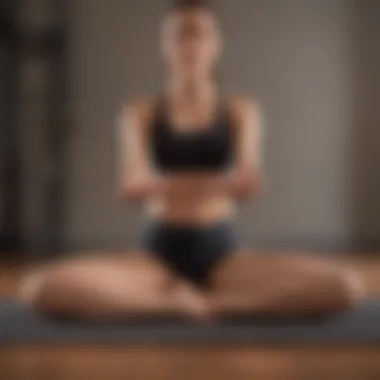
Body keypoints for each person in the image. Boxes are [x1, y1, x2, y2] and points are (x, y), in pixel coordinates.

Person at [20, 0, 366, 322]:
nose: (190, 45)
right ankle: (169, 305)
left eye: (198, 34)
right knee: (40, 289)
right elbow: (132, 185)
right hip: (158, 253)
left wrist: (169, 185)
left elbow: (248, 183)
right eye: (179, 35)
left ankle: (219, 305)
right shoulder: (140, 113)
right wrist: (211, 184)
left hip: (223, 251)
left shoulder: (239, 112)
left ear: (216, 44)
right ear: (165, 45)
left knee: (345, 286)